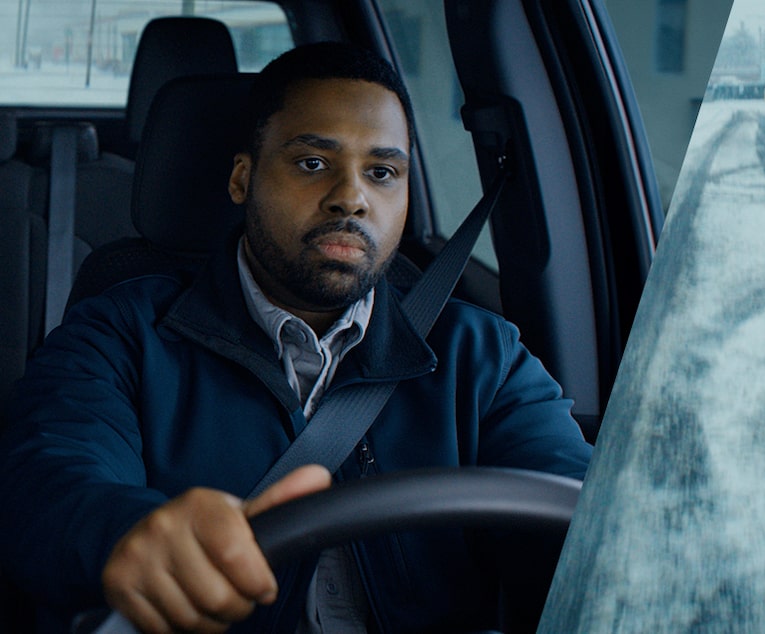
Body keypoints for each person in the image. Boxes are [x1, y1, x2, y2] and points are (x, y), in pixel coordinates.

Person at [0, 42, 592, 633]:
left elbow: (576, 505)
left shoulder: (481, 355)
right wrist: (126, 532)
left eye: (382, 172)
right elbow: (48, 479)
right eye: (313, 162)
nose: (352, 198)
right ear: (242, 177)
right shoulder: (120, 332)